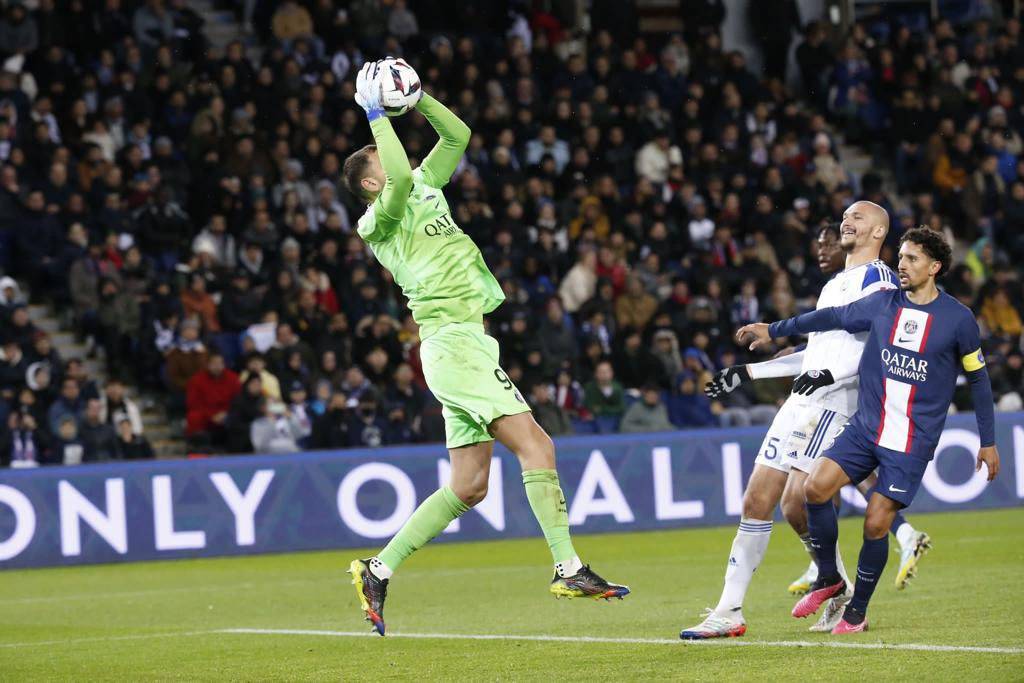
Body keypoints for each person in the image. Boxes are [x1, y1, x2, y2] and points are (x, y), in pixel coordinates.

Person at [342, 59, 627, 637]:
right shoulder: (379, 220)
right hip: (451, 342)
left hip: (468, 342)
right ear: (371, 181)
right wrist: (373, 112)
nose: (394, 158)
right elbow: (396, 174)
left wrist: (417, 98)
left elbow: (458, 136)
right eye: (382, 157)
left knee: (469, 485)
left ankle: (378, 568)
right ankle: (567, 566)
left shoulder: (421, 187)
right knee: (538, 446)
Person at [737, 226, 1000, 634]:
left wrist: (988, 441)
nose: (902, 264)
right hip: (866, 426)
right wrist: (773, 329)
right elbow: (830, 318)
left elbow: (980, 381)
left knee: (875, 524)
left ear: (935, 267)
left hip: (910, 441)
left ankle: (856, 611)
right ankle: (829, 577)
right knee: (813, 490)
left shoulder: (958, 320)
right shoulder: (882, 303)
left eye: (912, 259)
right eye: (902, 257)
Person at [680, 202, 903, 639]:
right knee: (760, 502)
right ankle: (732, 611)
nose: (846, 221)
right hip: (802, 400)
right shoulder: (834, 283)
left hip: (834, 403)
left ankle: (830, 591)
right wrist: (748, 371)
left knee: (798, 502)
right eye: (845, 216)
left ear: (878, 231)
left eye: (857, 217)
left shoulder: (880, 279)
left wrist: (831, 375)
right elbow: (814, 355)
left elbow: (874, 350)